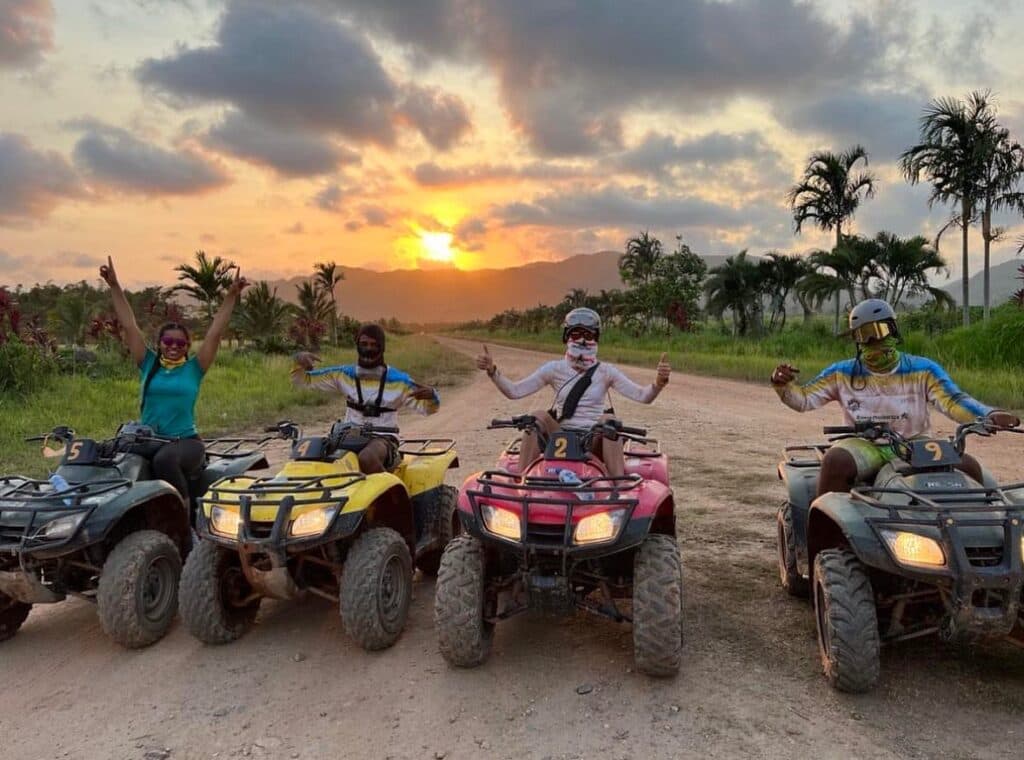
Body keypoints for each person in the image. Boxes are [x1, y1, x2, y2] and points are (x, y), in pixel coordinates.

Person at [771, 298, 1019, 497]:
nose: (874, 340)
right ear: (856, 340)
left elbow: (952, 400)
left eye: (879, 330)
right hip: (865, 444)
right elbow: (804, 399)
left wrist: (987, 415)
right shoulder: (842, 373)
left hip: (916, 444)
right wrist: (783, 385)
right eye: (864, 334)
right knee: (836, 462)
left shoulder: (922, 369)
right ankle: (826, 542)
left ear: (893, 329)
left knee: (969, 468)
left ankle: (978, 541)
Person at [99, 256, 248, 501]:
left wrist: (231, 295)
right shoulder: (149, 364)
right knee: (111, 461)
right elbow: (129, 324)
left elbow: (215, 332)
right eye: (168, 342)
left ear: (187, 345)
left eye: (180, 343)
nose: (173, 346)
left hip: (185, 441)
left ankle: (183, 513)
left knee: (165, 459)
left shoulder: (194, 368)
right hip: (149, 439)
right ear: (159, 344)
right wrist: (114, 285)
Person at [475, 307, 671, 477]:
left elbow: (643, 396)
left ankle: (616, 486)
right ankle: (521, 482)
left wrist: (659, 383)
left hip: (594, 437)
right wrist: (492, 371)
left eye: (589, 335)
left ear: (596, 338)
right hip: (560, 435)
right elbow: (514, 391)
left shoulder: (605, 371)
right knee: (536, 416)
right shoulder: (554, 369)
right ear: (566, 337)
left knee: (608, 421)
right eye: (576, 334)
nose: (583, 341)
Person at [292, 324, 440, 473]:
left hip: (383, 438)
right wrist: (299, 361)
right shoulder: (343, 374)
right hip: (348, 435)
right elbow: (304, 381)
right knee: (312, 457)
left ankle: (393, 494)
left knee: (367, 459)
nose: (368, 349)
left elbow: (428, 409)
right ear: (357, 345)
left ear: (382, 348)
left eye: (374, 345)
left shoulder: (399, 381)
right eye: (364, 344)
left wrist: (432, 396)